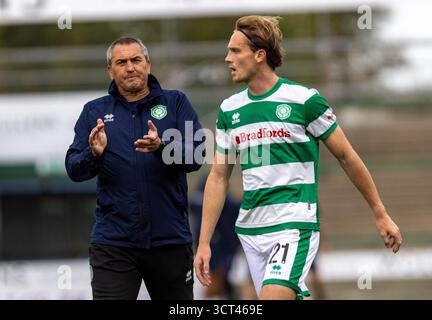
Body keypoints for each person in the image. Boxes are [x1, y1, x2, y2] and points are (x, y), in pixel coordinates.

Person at [193, 16, 402, 300]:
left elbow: (346, 156)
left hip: (293, 225)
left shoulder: (304, 101)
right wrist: (204, 242)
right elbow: (218, 177)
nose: (227, 58)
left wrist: (380, 212)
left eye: (235, 50)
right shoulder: (229, 110)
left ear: (259, 54)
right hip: (251, 229)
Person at [65, 36, 204, 300]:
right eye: (121, 62)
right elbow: (74, 169)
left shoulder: (175, 103)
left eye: (136, 60)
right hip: (113, 244)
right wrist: (94, 154)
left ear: (148, 64)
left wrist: (162, 146)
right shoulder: (94, 111)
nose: (130, 67)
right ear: (110, 70)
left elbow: (196, 156)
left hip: (170, 241)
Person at [189, 175, 242, 299]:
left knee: (222, 282)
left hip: (225, 247)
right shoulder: (203, 188)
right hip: (211, 248)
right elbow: (193, 204)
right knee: (212, 282)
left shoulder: (230, 206)